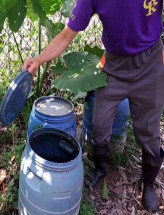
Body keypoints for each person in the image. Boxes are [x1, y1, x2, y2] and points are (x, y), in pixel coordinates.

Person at [23, 0, 164, 212]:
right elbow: (65, 35)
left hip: (150, 64)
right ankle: (101, 167)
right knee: (99, 125)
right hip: (114, 67)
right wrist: (39, 60)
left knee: (148, 134)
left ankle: (149, 184)